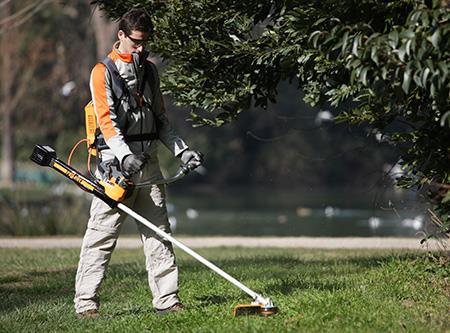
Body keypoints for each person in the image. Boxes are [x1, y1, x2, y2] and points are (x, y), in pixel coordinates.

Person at [74, 8, 202, 317]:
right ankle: (86, 304)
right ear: (121, 36)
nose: (141, 49)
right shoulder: (102, 72)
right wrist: (124, 156)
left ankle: (168, 299)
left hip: (150, 164)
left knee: (159, 232)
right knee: (101, 236)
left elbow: (160, 121)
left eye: (146, 43)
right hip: (115, 169)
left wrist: (182, 151)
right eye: (136, 42)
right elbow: (106, 123)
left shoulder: (151, 71)